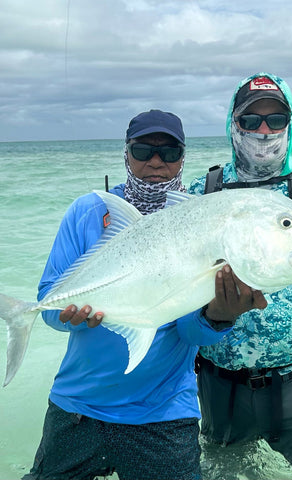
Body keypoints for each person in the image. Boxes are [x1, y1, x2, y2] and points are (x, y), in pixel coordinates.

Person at [22, 109, 267, 480]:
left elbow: (189, 332)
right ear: (126, 153)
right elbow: (48, 306)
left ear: (182, 159)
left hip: (164, 414)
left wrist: (221, 315)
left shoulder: (202, 220)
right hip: (78, 405)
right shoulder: (88, 211)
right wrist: (63, 313)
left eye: (169, 153)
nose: (156, 162)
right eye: (143, 151)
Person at [188, 73, 292, 479]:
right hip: (219, 385)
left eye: (276, 119)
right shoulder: (204, 192)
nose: (263, 131)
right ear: (234, 125)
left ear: (291, 124)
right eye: (251, 121)